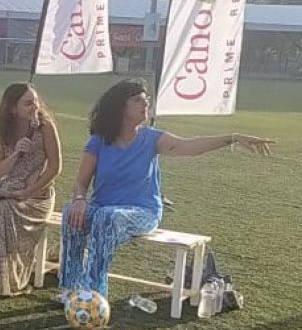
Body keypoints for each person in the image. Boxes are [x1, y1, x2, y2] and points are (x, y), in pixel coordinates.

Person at [60, 78, 274, 299]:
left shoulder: (151, 138)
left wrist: (233, 138)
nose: (146, 105)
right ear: (120, 107)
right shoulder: (99, 141)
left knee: (106, 218)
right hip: (104, 208)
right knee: (71, 215)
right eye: (137, 100)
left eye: (147, 100)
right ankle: (71, 287)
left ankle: (93, 294)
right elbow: (81, 182)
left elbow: (188, 146)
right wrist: (78, 199)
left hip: (142, 212)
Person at [0, 82, 62, 297]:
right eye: (28, 103)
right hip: (8, 188)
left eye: (36, 102)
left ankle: (1, 282)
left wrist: (28, 192)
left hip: (38, 194)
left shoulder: (45, 126)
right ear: (12, 108)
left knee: (5, 210)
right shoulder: (1, 128)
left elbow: (56, 167)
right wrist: (16, 153)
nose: (34, 107)